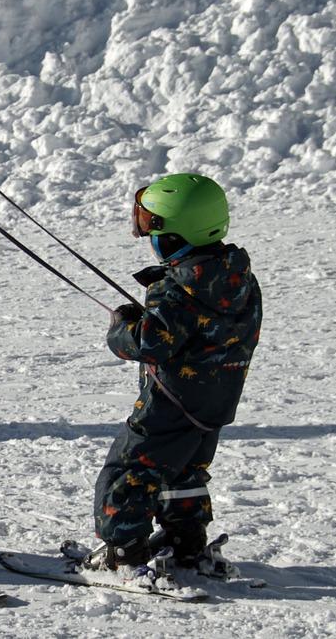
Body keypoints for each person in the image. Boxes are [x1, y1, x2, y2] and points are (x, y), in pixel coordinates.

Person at [89, 173, 261, 572]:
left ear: (171, 234)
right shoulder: (237, 279)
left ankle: (124, 551)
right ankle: (186, 542)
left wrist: (124, 326)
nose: (145, 233)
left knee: (129, 471)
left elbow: (149, 343)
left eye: (150, 225)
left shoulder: (178, 289)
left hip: (170, 402)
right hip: (213, 403)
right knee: (185, 470)